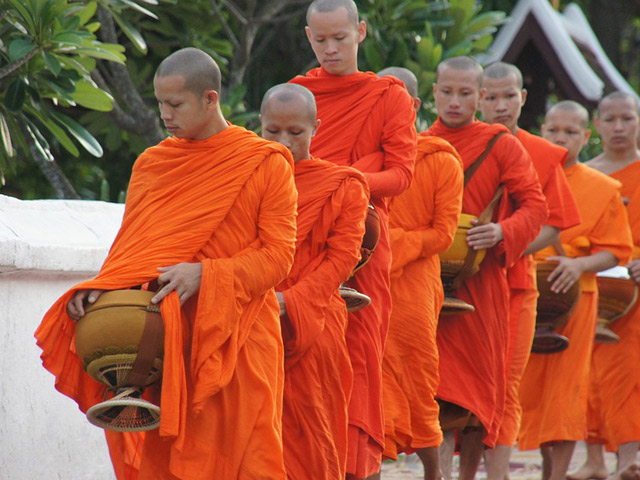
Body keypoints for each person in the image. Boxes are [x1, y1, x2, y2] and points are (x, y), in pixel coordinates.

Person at [35, 47, 298, 480]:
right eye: (160, 103)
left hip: (239, 341)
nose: (164, 115)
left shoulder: (264, 163)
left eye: (175, 104)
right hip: (168, 345)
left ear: (210, 99)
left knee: (248, 465)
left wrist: (207, 274)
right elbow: (133, 251)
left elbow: (278, 258)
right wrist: (104, 287)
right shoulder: (154, 166)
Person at [290, 1, 418, 477]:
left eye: (339, 38)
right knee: (306, 360)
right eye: (320, 40)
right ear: (307, 37)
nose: (330, 49)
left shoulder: (389, 95)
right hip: (303, 245)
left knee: (359, 360)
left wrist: (344, 181)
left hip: (364, 246)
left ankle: (357, 468)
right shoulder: (297, 93)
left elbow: (402, 174)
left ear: (360, 32)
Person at [425, 56, 548, 480]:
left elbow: (535, 205)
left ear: (480, 96)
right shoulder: (420, 142)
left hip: (481, 284)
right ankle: (437, 472)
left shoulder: (500, 143)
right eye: (447, 92)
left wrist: (501, 231)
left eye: (465, 93)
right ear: (434, 92)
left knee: (478, 391)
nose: (455, 101)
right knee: (436, 386)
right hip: (429, 283)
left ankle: (467, 474)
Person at [260, 83, 370, 479]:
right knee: (256, 430)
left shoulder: (344, 184)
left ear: (315, 129)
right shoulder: (246, 176)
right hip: (253, 320)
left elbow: (343, 257)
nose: (284, 142)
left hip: (316, 320)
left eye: (296, 133)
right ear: (259, 125)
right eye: (273, 131)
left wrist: (291, 300)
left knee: (313, 428)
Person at [519, 100, 633, 480]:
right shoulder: (523, 176)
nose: (561, 139)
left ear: (586, 136)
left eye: (571, 132)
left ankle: (555, 474)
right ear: (541, 132)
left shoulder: (602, 187)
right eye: (553, 131)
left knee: (566, 393)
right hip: (524, 293)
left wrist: (579, 264)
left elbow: (616, 249)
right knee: (525, 390)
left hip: (578, 299)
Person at [479, 62, 581, 479]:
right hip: (460, 285)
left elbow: (554, 222)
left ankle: (498, 473)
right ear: (477, 98)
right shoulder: (455, 146)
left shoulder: (539, 153)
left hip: (514, 282)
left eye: (509, 96)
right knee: (462, 382)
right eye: (491, 96)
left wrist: (506, 245)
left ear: (523, 98)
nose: (500, 105)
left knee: (505, 383)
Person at [374, 67, 463, 480]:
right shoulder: (367, 156)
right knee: (366, 377)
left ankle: (433, 471)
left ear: (414, 105)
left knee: (417, 378)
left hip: (412, 290)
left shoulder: (440, 159)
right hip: (366, 284)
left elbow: (444, 234)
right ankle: (370, 465)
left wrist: (390, 245)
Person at [568, 91, 640, 480]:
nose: (618, 128)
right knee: (588, 372)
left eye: (627, 119)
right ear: (596, 125)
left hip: (635, 293)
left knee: (627, 373)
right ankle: (593, 458)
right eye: (610, 120)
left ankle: (629, 456)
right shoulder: (588, 176)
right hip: (590, 284)